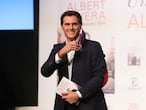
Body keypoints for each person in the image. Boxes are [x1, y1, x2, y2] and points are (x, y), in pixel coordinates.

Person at [41, 10, 108, 110]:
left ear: (80, 26)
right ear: (62, 26)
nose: (71, 28)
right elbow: (45, 71)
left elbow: (100, 77)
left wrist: (78, 94)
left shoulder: (93, 47)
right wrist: (61, 53)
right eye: (67, 24)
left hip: (89, 104)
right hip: (64, 105)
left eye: (74, 24)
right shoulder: (58, 49)